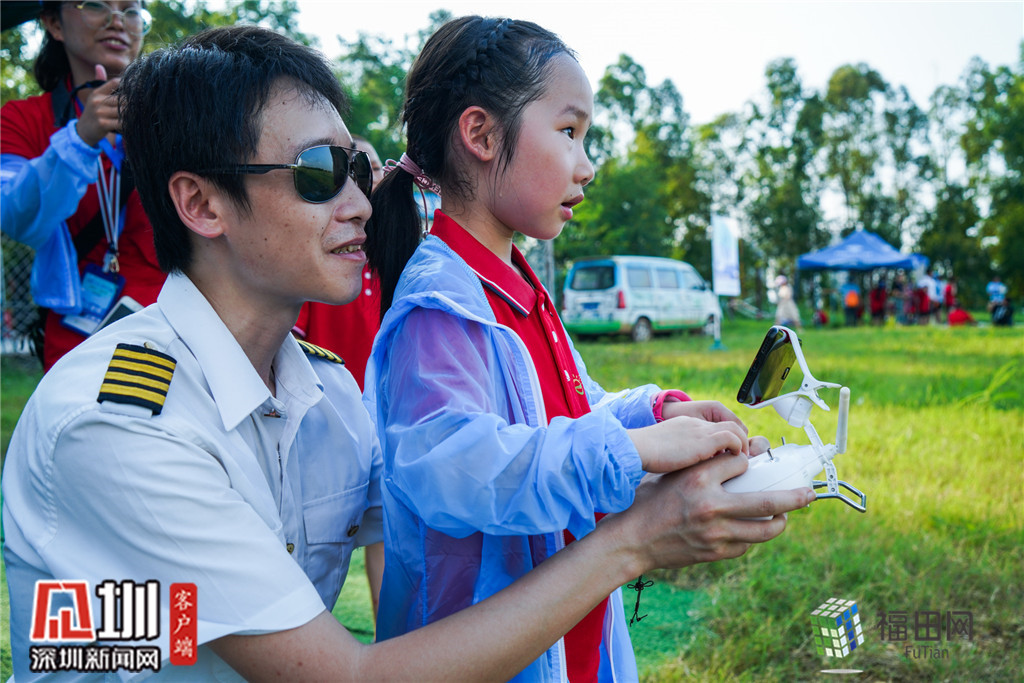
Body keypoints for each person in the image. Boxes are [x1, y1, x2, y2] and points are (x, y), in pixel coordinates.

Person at [1, 25, 814, 682]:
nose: (361, 202)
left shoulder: (327, 398)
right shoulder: (121, 424)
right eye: (320, 172)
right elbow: (347, 673)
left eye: (357, 166)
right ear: (202, 203)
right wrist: (634, 538)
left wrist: (650, 436)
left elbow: (470, 498)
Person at [363, 16, 806, 681]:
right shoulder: (440, 302)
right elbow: (453, 466)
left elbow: (568, 410)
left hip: (564, 642)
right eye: (569, 132)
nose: (587, 165)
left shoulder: (516, 283)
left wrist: (654, 413)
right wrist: (631, 449)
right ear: (481, 134)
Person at [0, 1, 166, 371]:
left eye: (131, 10)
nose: (116, 21)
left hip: (176, 320)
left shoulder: (178, 112)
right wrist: (79, 139)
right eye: (94, 4)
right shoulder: (21, 119)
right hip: (77, 335)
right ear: (54, 23)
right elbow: (15, 216)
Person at [292, 134, 385, 621]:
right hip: (324, 410)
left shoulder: (390, 256)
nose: (365, 186)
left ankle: (387, 632)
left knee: (385, 531)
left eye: (368, 171)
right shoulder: (314, 260)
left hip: (378, 407)